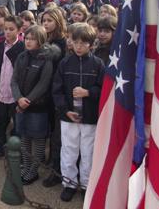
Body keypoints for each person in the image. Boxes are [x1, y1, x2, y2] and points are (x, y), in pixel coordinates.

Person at [53, 23, 104, 202]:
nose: (79, 46)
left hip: (90, 117)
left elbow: (103, 88)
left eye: (83, 43)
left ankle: (86, 184)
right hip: (69, 117)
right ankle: (69, 183)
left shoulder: (98, 64)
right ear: (71, 43)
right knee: (69, 150)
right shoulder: (65, 63)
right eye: (76, 42)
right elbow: (57, 90)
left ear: (91, 43)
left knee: (88, 152)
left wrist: (89, 93)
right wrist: (65, 111)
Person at [12, 25, 56, 185]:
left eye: (33, 39)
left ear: (41, 41)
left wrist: (27, 100)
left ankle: (33, 170)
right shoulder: (22, 57)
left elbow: (43, 85)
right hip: (21, 104)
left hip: (38, 107)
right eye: (27, 38)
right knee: (24, 137)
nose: (28, 41)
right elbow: (14, 80)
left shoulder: (46, 59)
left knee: (37, 139)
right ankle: (27, 166)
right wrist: (18, 98)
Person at [0, 16, 25, 161]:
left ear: (20, 31)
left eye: (11, 29)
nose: (7, 32)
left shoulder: (22, 48)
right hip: (1, 92)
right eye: (5, 29)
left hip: (15, 95)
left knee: (18, 126)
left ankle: (18, 152)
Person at [40, 7, 67, 187]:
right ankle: (48, 158)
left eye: (50, 20)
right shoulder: (45, 39)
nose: (46, 24)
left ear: (58, 21)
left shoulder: (62, 42)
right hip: (45, 90)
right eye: (43, 21)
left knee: (57, 134)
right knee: (48, 127)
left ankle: (57, 168)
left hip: (57, 90)